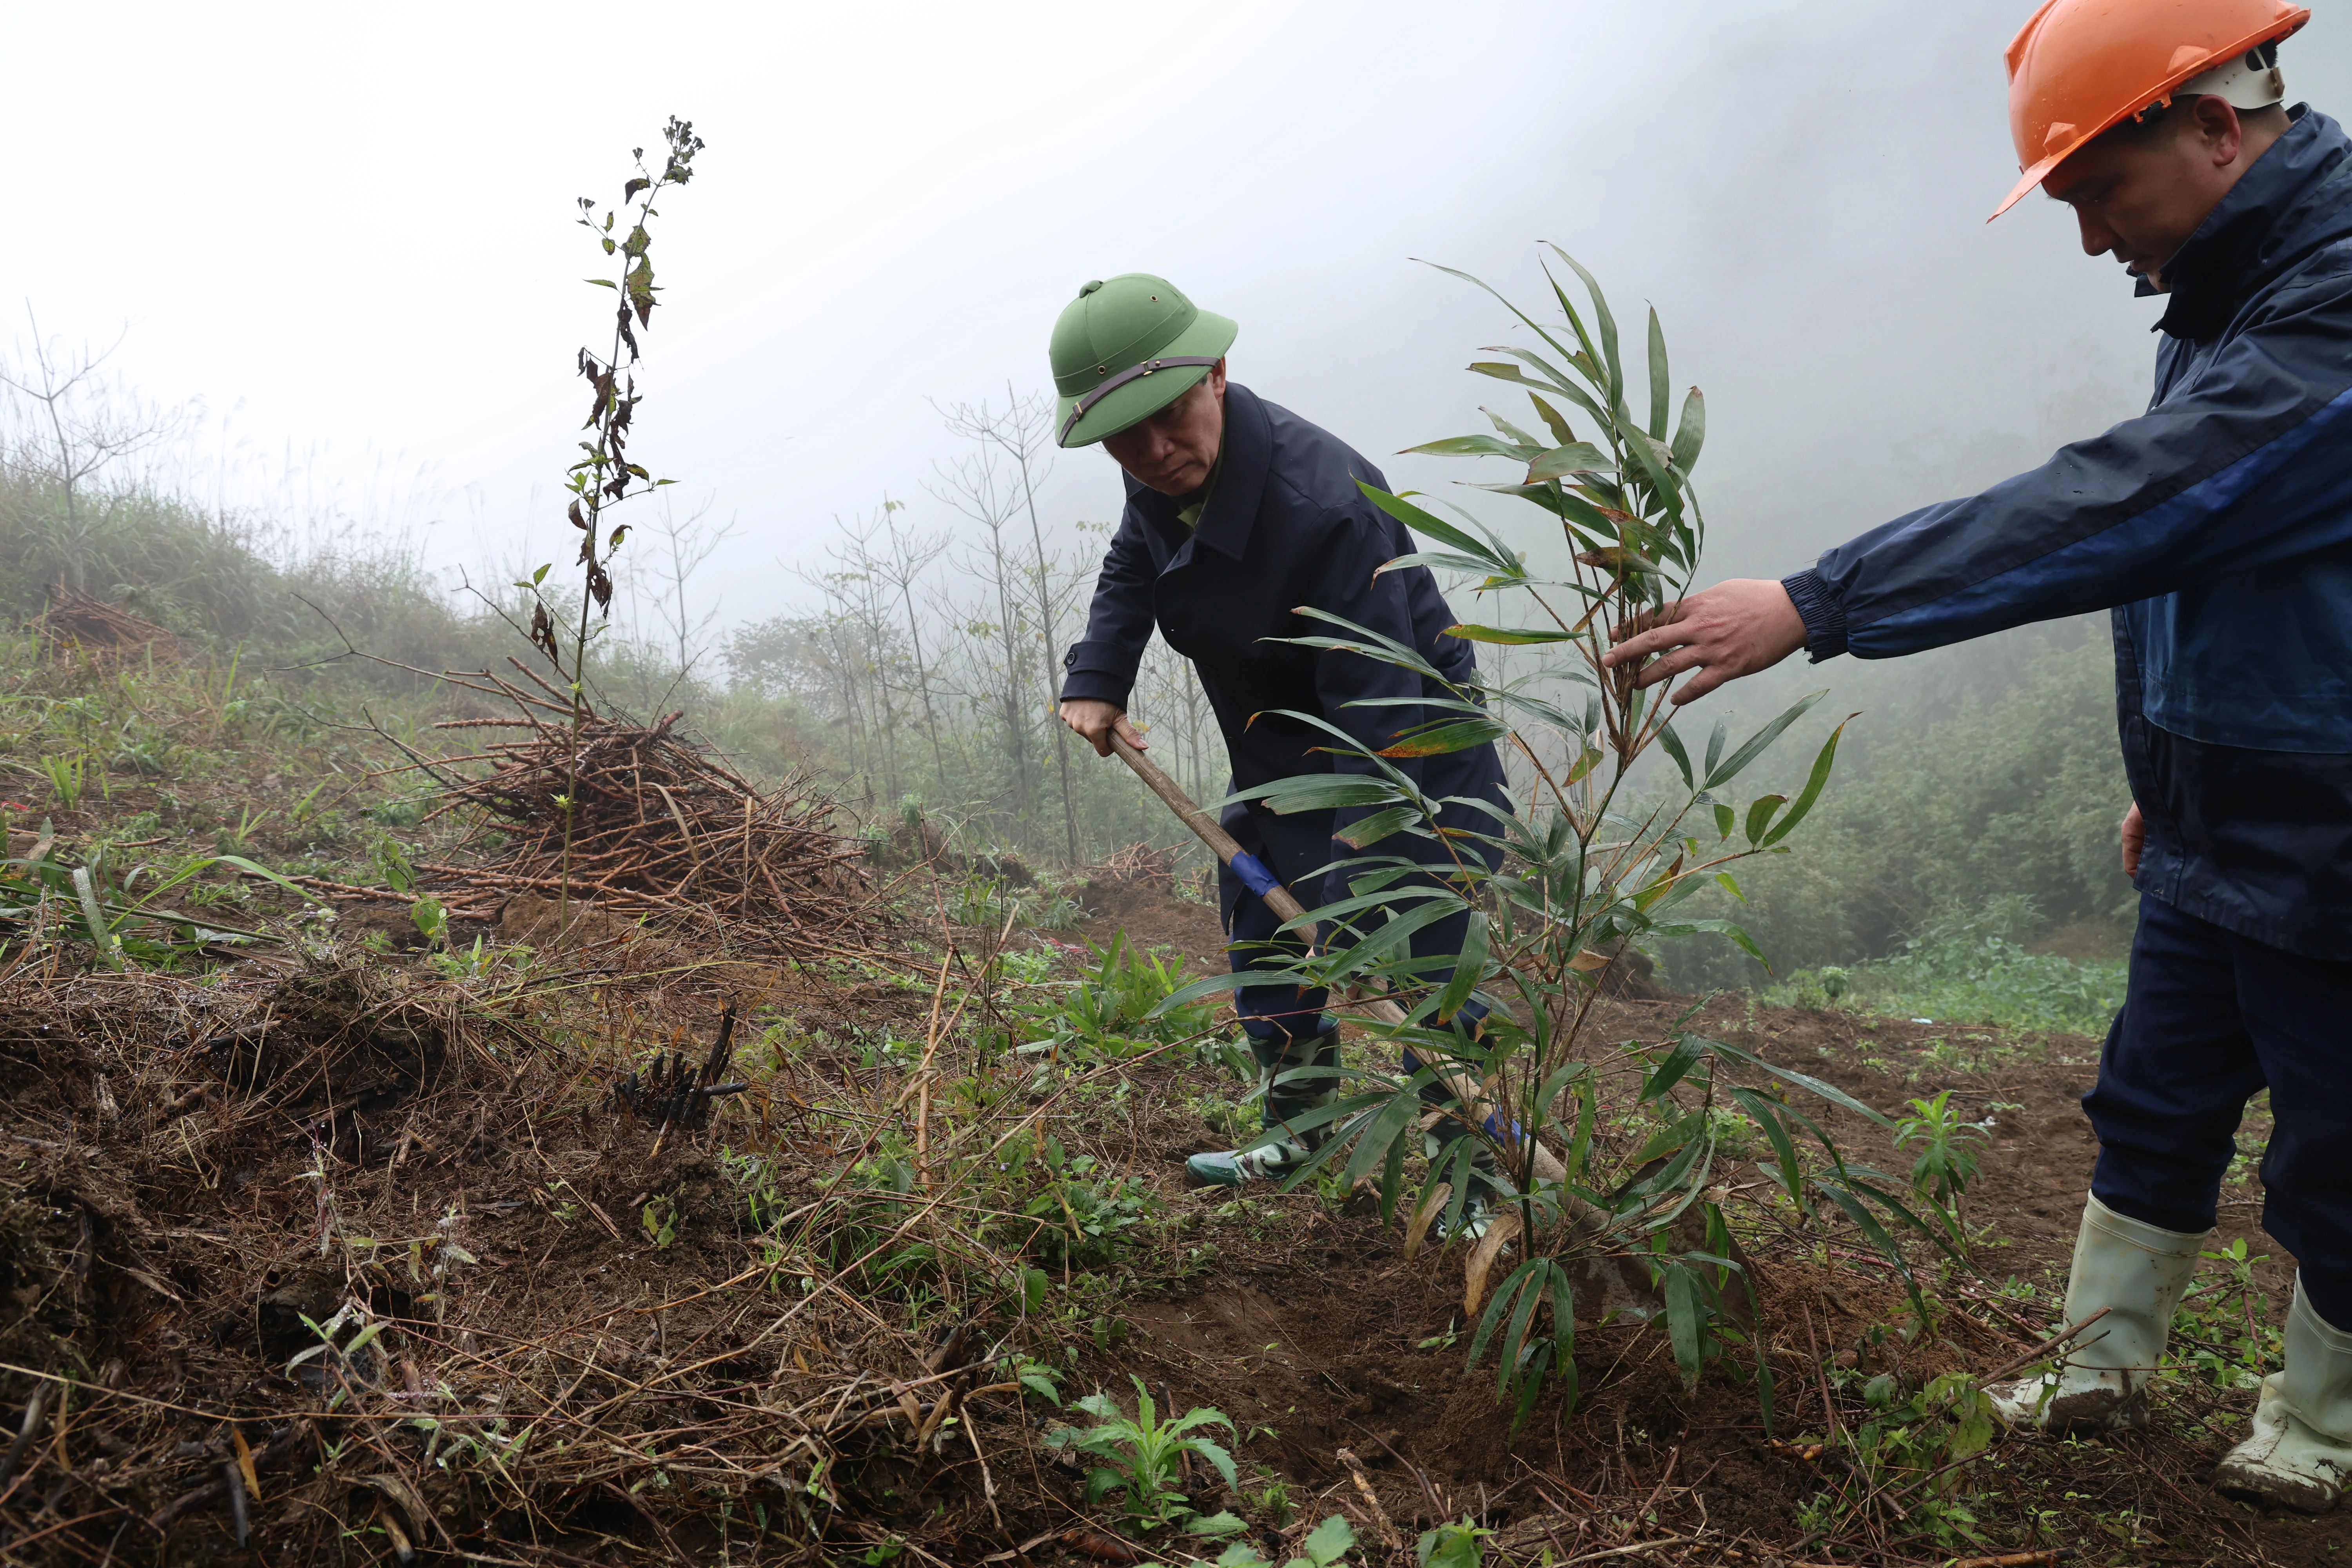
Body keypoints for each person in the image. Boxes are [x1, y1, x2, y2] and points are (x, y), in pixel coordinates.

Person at [1600, 0, 2352, 1511]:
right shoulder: (2230, 288)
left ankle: (2324, 1429)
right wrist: (2166, 783)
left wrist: (1823, 602)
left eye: (2096, 195)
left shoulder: (2330, 314)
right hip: (2223, 816)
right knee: (2152, 1102)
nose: (2088, 242)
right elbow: (2193, 579)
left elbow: (2132, 510)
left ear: (2214, 127)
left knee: (2338, 1145)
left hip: (2334, 832)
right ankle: (2099, 1368)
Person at [1047, 273, 1512, 1220]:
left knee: (1416, 956)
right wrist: (1097, 674)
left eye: (1169, 418)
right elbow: (1134, 564)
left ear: (1217, 373)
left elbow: (1381, 703)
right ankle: (1301, 1134)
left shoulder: (1326, 501)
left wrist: (1356, 880)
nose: (1154, 452)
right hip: (1284, 750)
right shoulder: (1161, 478)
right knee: (1265, 929)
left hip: (1411, 759)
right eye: (1125, 439)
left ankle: (1482, 1180)